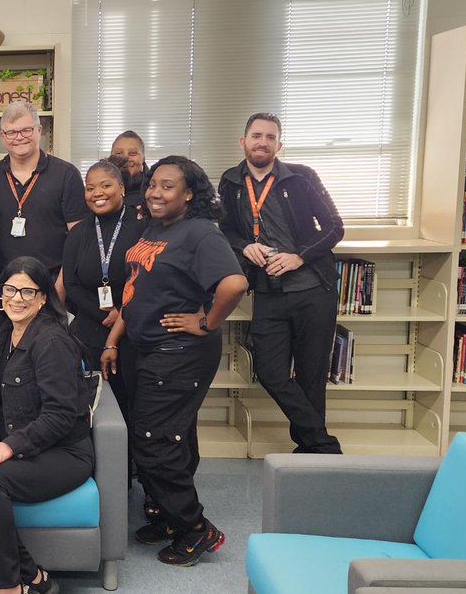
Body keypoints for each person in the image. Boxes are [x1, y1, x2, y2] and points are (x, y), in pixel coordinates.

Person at [101, 155, 247, 567]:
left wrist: (206, 321)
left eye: (167, 186)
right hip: (146, 348)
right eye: (152, 184)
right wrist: (114, 339)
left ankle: (196, 529)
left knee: (154, 440)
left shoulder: (200, 233)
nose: (155, 192)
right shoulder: (156, 228)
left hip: (179, 352)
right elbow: (137, 289)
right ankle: (168, 517)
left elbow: (234, 283)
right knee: (162, 436)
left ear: (189, 194)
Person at [0, 256, 94, 594]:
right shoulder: (4, 334)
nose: (17, 298)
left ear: (43, 297)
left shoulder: (51, 341)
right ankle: (32, 576)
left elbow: (60, 416)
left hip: (65, 452)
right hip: (30, 448)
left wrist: (8, 446)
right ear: (0, 294)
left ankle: (8, 587)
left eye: (27, 291)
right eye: (10, 290)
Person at [218, 113, 345, 455]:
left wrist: (299, 256)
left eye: (270, 137)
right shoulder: (230, 181)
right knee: (271, 372)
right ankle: (323, 444)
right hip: (268, 291)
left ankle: (310, 450)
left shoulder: (302, 177)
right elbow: (225, 229)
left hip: (312, 290)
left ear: (279, 145)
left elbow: (335, 227)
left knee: (311, 376)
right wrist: (244, 245)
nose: (263, 142)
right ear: (243, 141)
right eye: (256, 135)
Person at [62, 157, 145, 432]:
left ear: (122, 188)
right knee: (96, 409)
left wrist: (121, 312)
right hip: (89, 330)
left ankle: (131, 458)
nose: (97, 193)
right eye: (90, 188)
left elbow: (147, 280)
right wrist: (103, 315)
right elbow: (71, 285)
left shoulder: (142, 226)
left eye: (105, 185)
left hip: (133, 331)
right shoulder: (78, 232)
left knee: (133, 408)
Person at [0, 102, 88, 301]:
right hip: (3, 286)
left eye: (26, 130)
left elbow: (78, 239)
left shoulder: (66, 174)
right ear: (3, 136)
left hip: (50, 283)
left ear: (39, 130)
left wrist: (58, 291)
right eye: (11, 132)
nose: (19, 137)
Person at [110, 131, 148, 218]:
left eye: (133, 153)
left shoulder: (152, 192)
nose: (125, 158)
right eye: (119, 153)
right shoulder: (99, 190)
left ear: (143, 158)